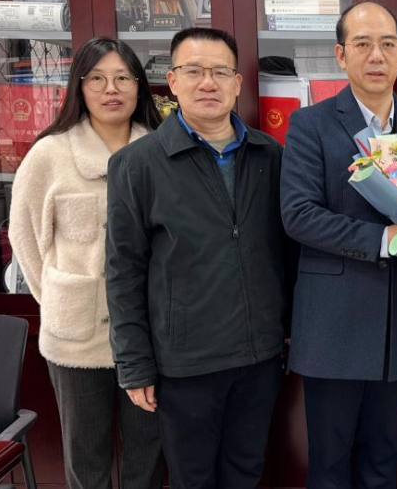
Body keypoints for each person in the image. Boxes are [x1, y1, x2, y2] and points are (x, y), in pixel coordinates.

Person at [105, 27, 292, 489]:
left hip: (261, 355)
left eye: (220, 72)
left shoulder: (270, 155)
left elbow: (287, 253)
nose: (208, 82)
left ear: (237, 83)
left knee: (246, 471)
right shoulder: (137, 164)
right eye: (194, 71)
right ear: (172, 81)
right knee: (193, 478)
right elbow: (123, 271)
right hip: (185, 363)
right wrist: (134, 363)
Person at [280, 1, 397, 489]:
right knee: (329, 462)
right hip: (333, 324)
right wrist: (382, 239)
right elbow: (299, 215)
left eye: (387, 44)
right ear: (341, 55)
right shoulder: (310, 124)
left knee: (383, 456)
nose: (377, 55)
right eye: (363, 44)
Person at [9, 37, 165, 489]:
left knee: (149, 454)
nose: (110, 89)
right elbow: (26, 240)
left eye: (122, 78)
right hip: (75, 337)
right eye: (96, 78)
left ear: (139, 86)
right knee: (86, 459)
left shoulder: (161, 151)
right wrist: (62, 296)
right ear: (79, 87)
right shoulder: (50, 154)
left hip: (151, 334)